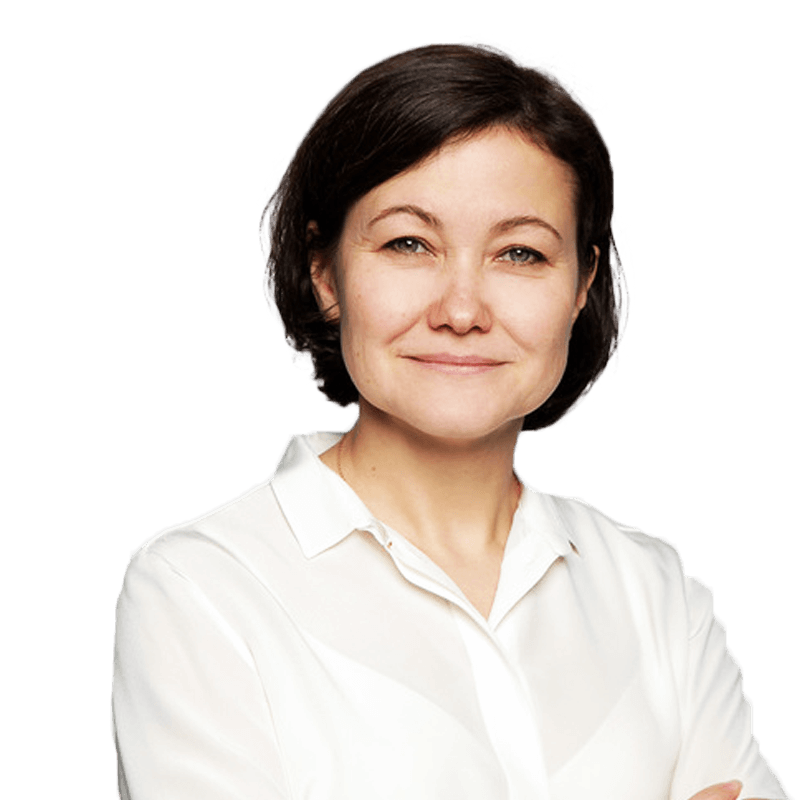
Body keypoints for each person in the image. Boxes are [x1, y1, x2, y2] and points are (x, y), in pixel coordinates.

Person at [110, 40, 793, 800]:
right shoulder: (201, 588)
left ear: (582, 284)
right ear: (324, 270)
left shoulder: (654, 591)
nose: (462, 310)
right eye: (409, 243)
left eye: (521, 254)